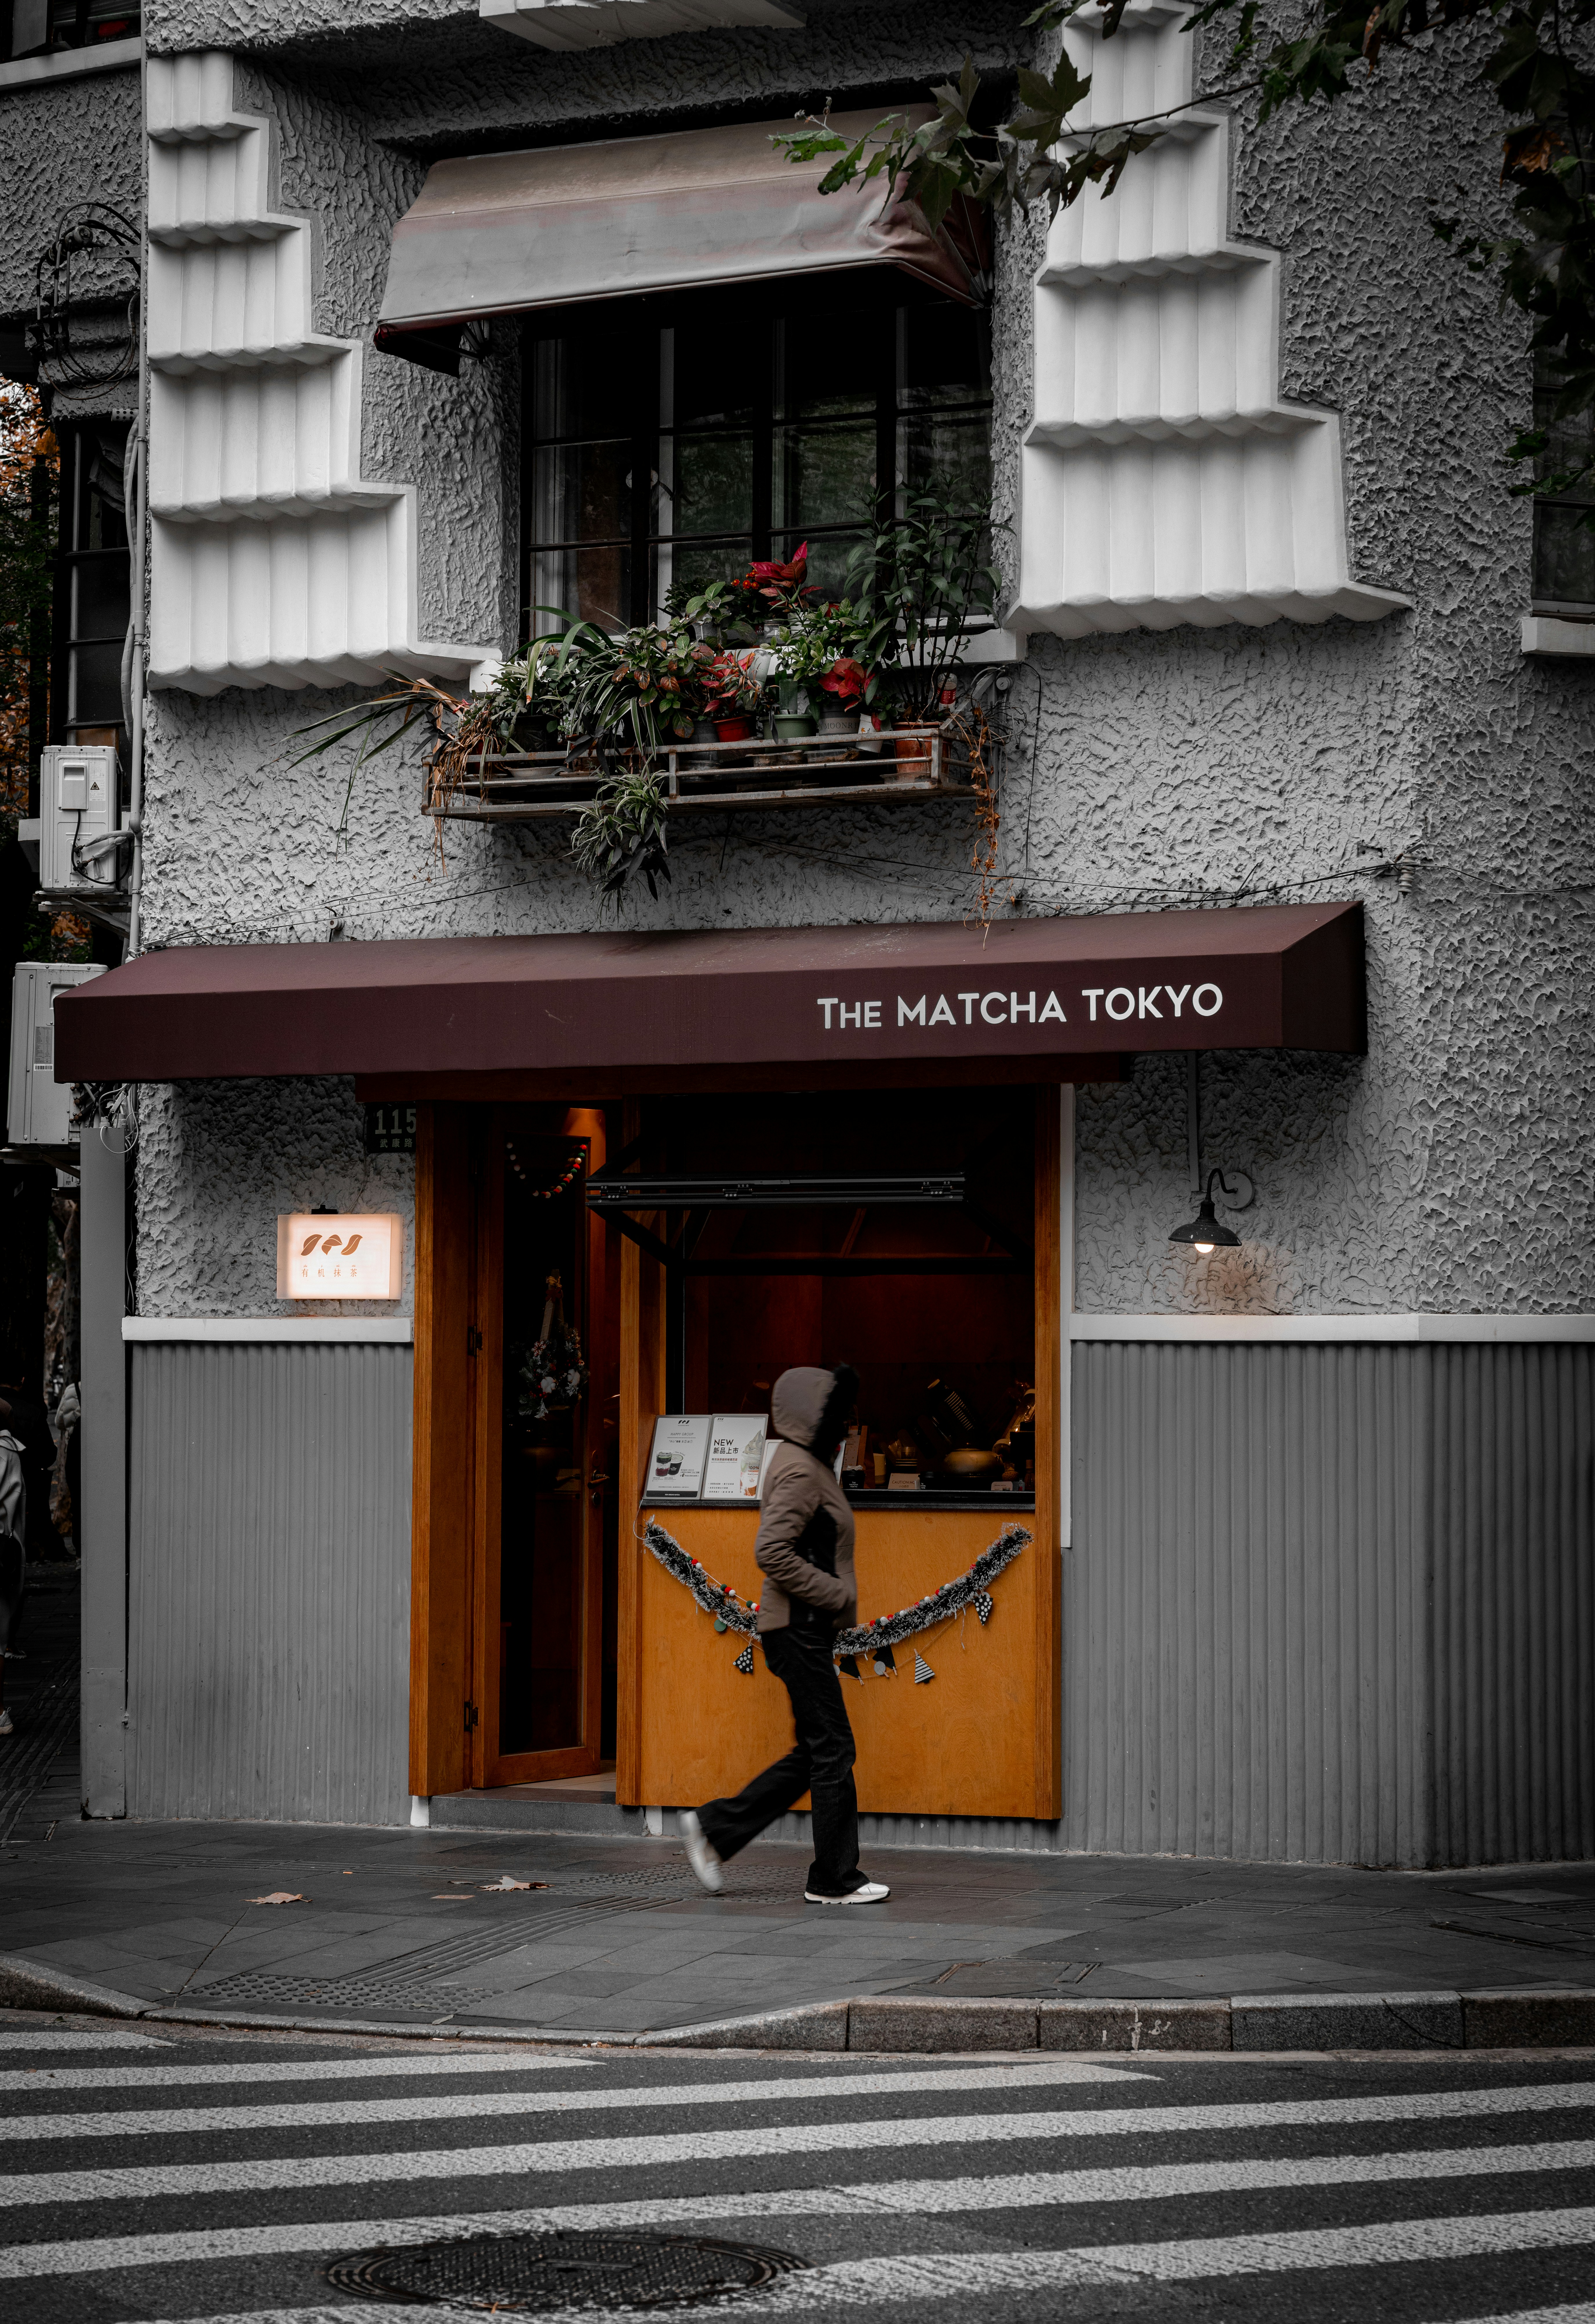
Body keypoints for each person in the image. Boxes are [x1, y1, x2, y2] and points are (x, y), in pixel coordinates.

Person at [680, 1363, 889, 1905]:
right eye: (836, 1416)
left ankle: (715, 1828)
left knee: (817, 1750)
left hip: (802, 1628)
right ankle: (833, 1879)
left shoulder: (807, 1464)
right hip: (798, 1627)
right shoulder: (799, 1469)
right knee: (834, 1747)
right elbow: (772, 1551)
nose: (844, 1426)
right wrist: (835, 1594)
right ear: (811, 1417)